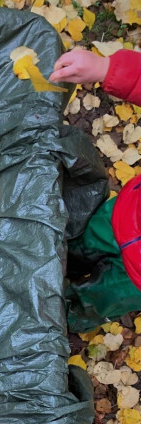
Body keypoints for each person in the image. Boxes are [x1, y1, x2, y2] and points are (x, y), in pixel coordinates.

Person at [48, 48, 141, 330]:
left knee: (100, 298)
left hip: (135, 280)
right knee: (84, 240)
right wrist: (107, 68)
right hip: (126, 214)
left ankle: (63, 315)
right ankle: (67, 255)